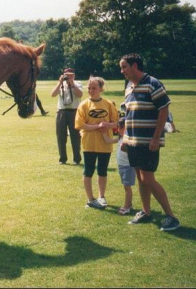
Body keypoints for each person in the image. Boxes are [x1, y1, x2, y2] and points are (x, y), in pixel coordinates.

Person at [119, 53, 180, 231]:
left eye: (124, 67)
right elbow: (129, 115)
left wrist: (156, 137)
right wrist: (125, 139)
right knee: (140, 178)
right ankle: (146, 212)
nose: (122, 71)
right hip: (133, 142)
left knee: (148, 178)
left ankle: (171, 217)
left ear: (135, 65)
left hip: (148, 142)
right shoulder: (129, 87)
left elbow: (164, 111)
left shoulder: (153, 84)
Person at [75, 76, 118, 209]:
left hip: (105, 144)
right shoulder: (83, 105)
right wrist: (98, 126)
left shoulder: (108, 104)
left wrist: (107, 125)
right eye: (89, 88)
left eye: (94, 88)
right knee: (88, 171)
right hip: (89, 144)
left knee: (102, 171)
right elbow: (80, 125)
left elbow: (117, 122)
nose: (91, 90)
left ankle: (102, 196)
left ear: (101, 88)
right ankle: (90, 199)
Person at [51, 68, 84, 164]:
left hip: (74, 112)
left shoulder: (78, 83)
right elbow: (53, 94)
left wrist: (72, 84)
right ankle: (62, 158)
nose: (68, 77)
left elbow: (80, 94)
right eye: (66, 75)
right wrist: (60, 83)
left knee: (75, 136)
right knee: (60, 136)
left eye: (70, 75)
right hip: (61, 112)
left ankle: (77, 159)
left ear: (74, 75)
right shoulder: (61, 84)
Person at [104, 117, 135, 215]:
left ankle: (127, 207)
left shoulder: (129, 139)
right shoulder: (120, 138)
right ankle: (128, 204)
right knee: (126, 186)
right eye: (119, 128)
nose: (119, 130)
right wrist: (102, 132)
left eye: (122, 128)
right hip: (122, 166)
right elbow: (108, 140)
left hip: (128, 166)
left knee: (127, 187)